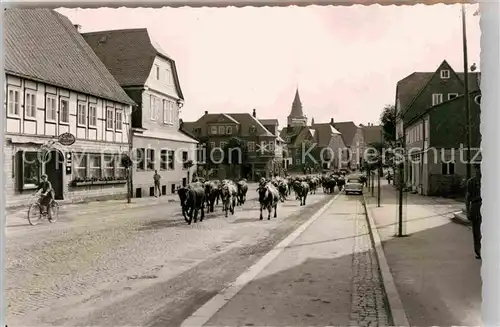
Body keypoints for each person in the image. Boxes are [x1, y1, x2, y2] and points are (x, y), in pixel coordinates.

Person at [466, 164, 482, 259]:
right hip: (476, 207)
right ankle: (478, 251)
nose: (479, 171)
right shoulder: (471, 182)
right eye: (477, 169)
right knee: (476, 231)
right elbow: (467, 198)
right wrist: (468, 211)